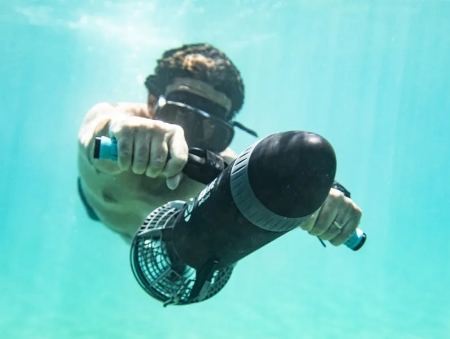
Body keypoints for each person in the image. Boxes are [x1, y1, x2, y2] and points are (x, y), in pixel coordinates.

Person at [77, 43, 362, 245]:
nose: (187, 141)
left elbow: (280, 183)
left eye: (211, 131)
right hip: (98, 211)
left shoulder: (222, 168)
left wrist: (320, 198)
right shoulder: (116, 124)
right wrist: (123, 132)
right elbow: (99, 126)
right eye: (178, 115)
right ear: (152, 102)